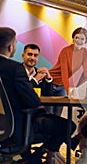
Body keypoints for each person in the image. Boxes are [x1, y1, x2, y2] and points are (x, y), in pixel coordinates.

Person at [0, 27, 76, 164]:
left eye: (35, 55)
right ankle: (36, 156)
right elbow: (34, 102)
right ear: (11, 47)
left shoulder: (17, 70)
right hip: (20, 123)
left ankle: (36, 157)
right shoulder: (16, 69)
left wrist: (47, 80)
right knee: (67, 126)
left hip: (4, 123)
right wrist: (34, 81)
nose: (32, 58)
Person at [49, 27, 87, 116]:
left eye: (82, 39)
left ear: (86, 41)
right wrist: (69, 92)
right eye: (77, 38)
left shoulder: (84, 52)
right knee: (48, 113)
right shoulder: (65, 50)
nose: (79, 41)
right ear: (73, 38)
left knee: (57, 115)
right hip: (51, 82)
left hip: (62, 86)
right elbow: (64, 73)